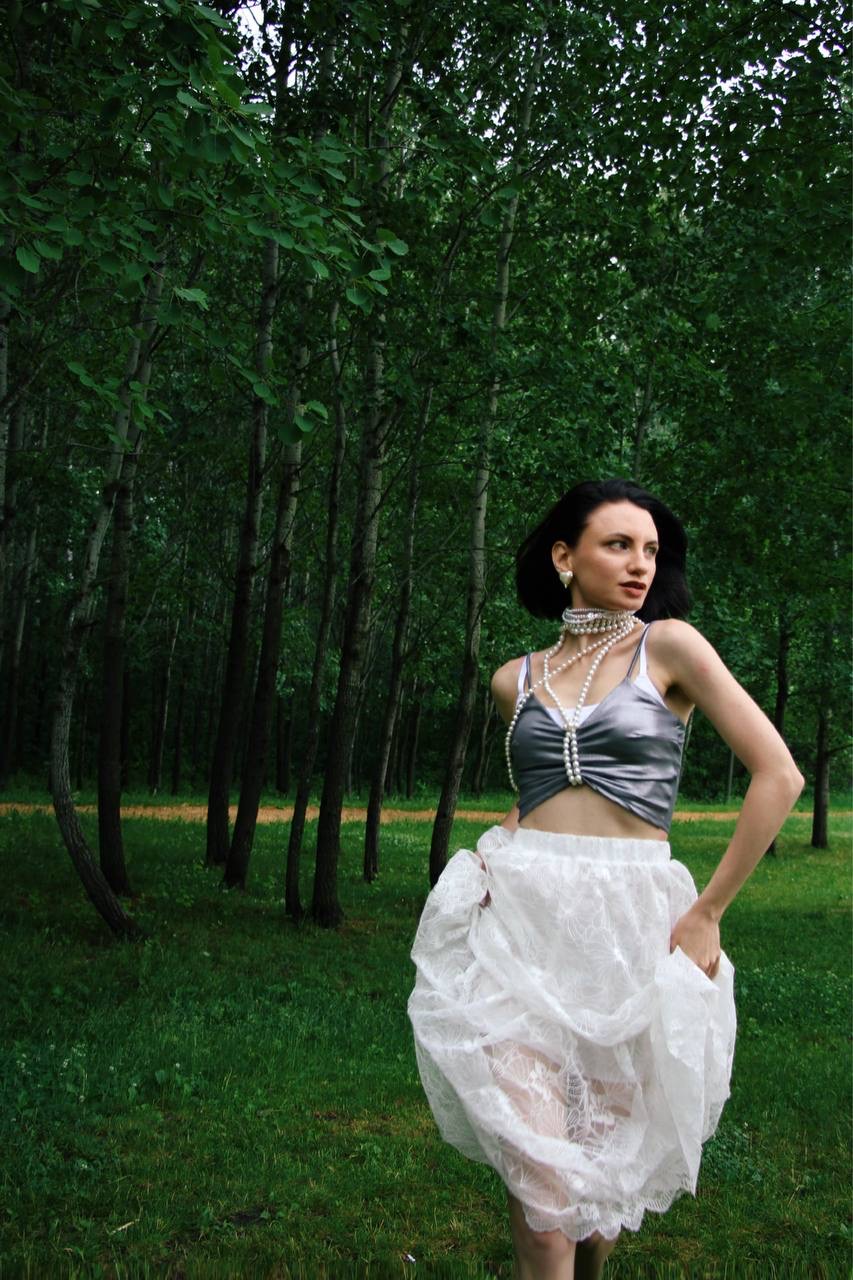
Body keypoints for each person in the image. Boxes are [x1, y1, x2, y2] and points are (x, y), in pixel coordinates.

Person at [407, 478, 803, 1280]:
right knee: (543, 1196)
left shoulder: (670, 648)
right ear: (565, 556)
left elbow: (779, 775)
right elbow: (538, 796)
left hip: (628, 932)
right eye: (618, 544)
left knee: (600, 1186)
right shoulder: (513, 679)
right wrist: (489, 858)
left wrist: (708, 912)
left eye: (649, 550)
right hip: (520, 930)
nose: (639, 564)